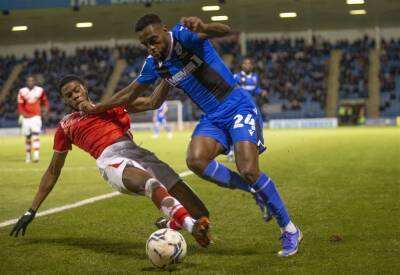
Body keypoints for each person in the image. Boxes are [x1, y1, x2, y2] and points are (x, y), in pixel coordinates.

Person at [79, 14, 302, 256]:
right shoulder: (155, 64)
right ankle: (253, 191)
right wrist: (99, 108)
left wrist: (205, 27)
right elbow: (142, 97)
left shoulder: (184, 36)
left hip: (237, 105)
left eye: (153, 40)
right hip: (212, 117)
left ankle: (289, 229)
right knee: (196, 161)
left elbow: (224, 29)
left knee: (248, 169)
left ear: (164, 30)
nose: (151, 47)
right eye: (145, 44)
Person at [10, 75, 211, 248]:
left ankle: (171, 225)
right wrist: (32, 209)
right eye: (69, 95)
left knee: (201, 213)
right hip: (111, 160)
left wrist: (168, 78)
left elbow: (152, 102)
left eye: (77, 90)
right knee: (149, 183)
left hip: (138, 153)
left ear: (85, 89)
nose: (75, 95)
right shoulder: (66, 125)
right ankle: (190, 226)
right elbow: (53, 170)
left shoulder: (111, 106)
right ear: (65, 101)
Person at [226, 58, 267, 162]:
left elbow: (255, 89)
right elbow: (231, 89)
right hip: (239, 105)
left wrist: (261, 91)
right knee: (237, 127)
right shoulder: (236, 76)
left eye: (249, 64)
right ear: (242, 65)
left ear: (252, 66)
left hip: (251, 105)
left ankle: (258, 145)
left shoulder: (255, 77)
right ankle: (230, 151)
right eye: (245, 64)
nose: (247, 66)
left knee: (257, 123)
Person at [17, 76, 49, 163]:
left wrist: (45, 109)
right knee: (28, 137)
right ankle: (27, 157)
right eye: (29, 81)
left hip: (36, 116)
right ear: (26, 82)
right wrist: (23, 113)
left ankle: (36, 155)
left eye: (32, 81)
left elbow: (45, 101)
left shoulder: (40, 90)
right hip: (26, 117)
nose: (30, 82)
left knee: (36, 134)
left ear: (34, 82)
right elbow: (20, 105)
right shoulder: (22, 91)